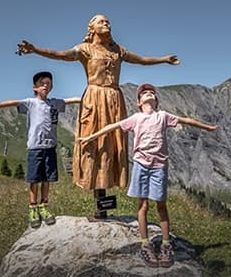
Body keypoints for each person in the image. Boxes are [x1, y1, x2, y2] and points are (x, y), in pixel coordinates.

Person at [17, 14, 180, 221]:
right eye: (101, 21)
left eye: (108, 21)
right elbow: (61, 54)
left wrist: (163, 59)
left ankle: (106, 189)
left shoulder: (117, 50)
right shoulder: (85, 49)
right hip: (94, 99)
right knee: (94, 143)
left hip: (114, 99)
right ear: (92, 27)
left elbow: (141, 60)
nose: (107, 23)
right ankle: (92, 188)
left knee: (112, 142)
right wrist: (36, 50)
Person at [78, 83, 217, 267]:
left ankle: (166, 245)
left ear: (156, 100)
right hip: (141, 166)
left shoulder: (163, 116)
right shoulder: (135, 118)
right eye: (144, 93)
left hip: (159, 166)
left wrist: (207, 128)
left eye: (151, 92)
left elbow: (186, 120)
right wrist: (91, 137)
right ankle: (146, 245)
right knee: (142, 205)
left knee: (161, 206)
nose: (148, 94)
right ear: (139, 102)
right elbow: (112, 126)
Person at [0, 71, 81, 228]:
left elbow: (72, 100)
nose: (46, 86)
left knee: (47, 179)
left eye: (48, 83)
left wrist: (89, 98)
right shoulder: (30, 103)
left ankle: (44, 207)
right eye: (42, 83)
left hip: (50, 147)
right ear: (35, 87)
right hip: (35, 147)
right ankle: (33, 208)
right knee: (34, 179)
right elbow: (12, 102)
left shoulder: (55, 103)